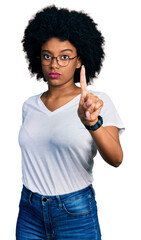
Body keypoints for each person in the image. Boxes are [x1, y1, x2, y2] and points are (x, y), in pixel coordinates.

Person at [16, 5, 125, 240]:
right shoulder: (29, 105)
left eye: (64, 57)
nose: (54, 64)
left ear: (79, 61)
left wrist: (92, 123)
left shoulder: (96, 102)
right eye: (47, 56)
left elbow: (116, 158)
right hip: (29, 211)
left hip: (74, 212)